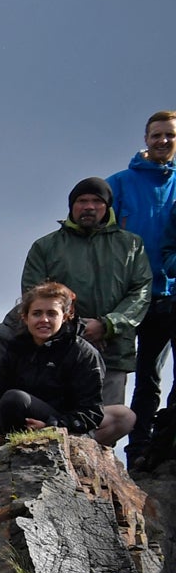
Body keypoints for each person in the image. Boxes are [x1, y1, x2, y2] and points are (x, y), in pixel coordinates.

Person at [14, 176, 150, 416]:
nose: (88, 206)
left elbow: (141, 291)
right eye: (82, 201)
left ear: (107, 207)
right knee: (57, 417)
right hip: (57, 351)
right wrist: (76, 328)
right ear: (71, 206)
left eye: (96, 201)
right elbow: (33, 293)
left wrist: (108, 324)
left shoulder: (131, 245)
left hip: (113, 350)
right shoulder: (46, 246)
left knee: (109, 419)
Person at [0, 282, 129, 446]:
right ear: (25, 317)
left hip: (62, 430)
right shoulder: (16, 348)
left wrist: (50, 427)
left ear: (65, 316)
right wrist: (1, 428)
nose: (44, 320)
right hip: (14, 434)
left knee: (15, 398)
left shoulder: (82, 353)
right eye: (37, 314)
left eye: (52, 314)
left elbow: (90, 413)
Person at [112, 113, 176, 459]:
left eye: (170, 135)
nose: (163, 141)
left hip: (172, 294)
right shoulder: (121, 183)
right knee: (139, 377)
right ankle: (136, 448)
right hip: (130, 297)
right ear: (146, 138)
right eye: (157, 135)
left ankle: (162, 445)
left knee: (160, 375)